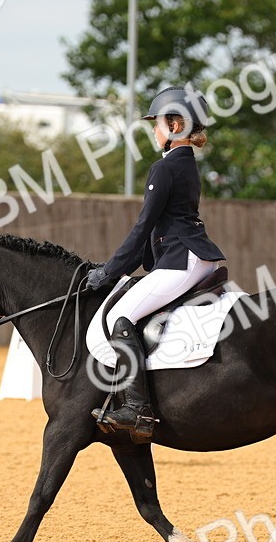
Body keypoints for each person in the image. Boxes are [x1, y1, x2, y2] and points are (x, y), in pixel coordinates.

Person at [84, 86, 226, 440]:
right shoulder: (186, 163)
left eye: (157, 124)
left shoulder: (164, 168)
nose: (153, 130)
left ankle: (137, 409)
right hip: (194, 256)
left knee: (121, 318)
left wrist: (109, 271)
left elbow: (143, 227)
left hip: (180, 260)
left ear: (175, 125)